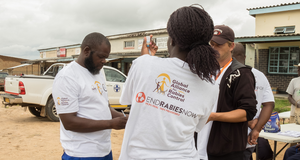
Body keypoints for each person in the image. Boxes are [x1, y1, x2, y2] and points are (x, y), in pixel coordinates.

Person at [118, 5, 220, 160]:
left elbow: (127, 101)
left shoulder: (143, 65)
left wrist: (147, 58)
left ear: (172, 40)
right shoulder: (211, 85)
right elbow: (197, 126)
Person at [52, 32, 128, 160]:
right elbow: (69, 122)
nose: (104, 61)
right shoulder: (67, 77)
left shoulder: (98, 72)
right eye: (101, 57)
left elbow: (104, 107)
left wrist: (125, 118)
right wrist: (111, 124)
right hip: (81, 153)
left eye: (106, 58)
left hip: (104, 151)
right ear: (86, 51)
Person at [197, 25, 257, 160]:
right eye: (211, 44)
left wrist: (213, 116)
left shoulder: (241, 73)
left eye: (218, 44)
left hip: (226, 148)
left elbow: (247, 112)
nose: (213, 48)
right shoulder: (204, 71)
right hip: (199, 145)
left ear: (231, 46)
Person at [232, 43, 275, 160]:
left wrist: (249, 123)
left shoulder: (227, 75)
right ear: (245, 57)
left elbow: (222, 107)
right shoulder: (260, 75)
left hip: (228, 138)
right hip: (250, 137)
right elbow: (269, 104)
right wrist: (256, 129)